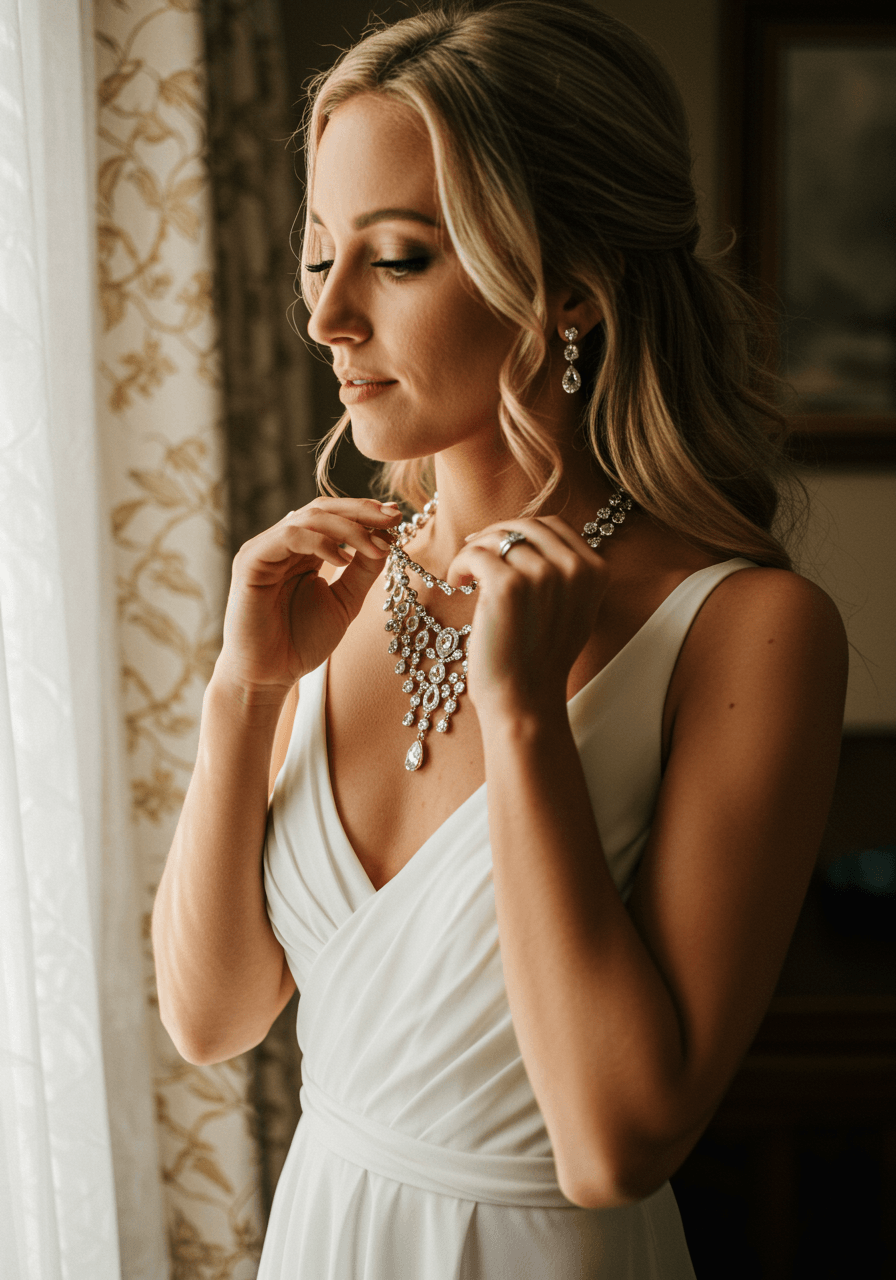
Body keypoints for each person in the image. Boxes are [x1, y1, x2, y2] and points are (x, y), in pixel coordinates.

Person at [151, 2, 848, 1275]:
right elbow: (212, 1014)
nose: (328, 320)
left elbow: (612, 1143)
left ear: (567, 292)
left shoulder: (748, 630)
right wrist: (243, 690)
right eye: (318, 256)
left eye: (398, 257)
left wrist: (523, 714)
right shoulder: (330, 585)